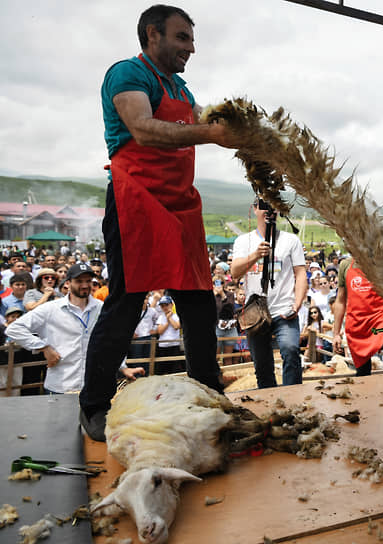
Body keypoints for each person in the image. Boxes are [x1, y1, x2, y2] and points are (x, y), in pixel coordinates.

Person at [79, 5, 245, 441]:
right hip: (136, 198)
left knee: (197, 301)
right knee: (126, 303)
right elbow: (144, 130)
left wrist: (241, 127)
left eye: (191, 39)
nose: (191, 47)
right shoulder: (127, 75)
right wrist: (210, 133)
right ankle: (93, 405)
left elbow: (206, 117)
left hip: (180, 204)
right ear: (152, 35)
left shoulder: (179, 87)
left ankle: (207, 389)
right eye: (182, 38)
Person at [6, 263, 143, 394]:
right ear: (68, 283)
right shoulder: (51, 309)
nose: (84, 285)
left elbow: (112, 342)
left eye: (88, 281)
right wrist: (43, 347)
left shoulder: (102, 309)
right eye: (79, 281)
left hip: (94, 386)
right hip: (61, 385)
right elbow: (14, 329)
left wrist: (123, 367)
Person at [231, 198, 307, 388]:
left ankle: (292, 397)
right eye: (264, 206)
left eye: (273, 207)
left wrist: (297, 304)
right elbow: (234, 272)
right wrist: (255, 255)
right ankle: (270, 403)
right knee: (262, 365)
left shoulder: (291, 240)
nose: (268, 211)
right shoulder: (244, 241)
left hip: (284, 309)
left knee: (290, 350)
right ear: (255, 209)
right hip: (255, 313)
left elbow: (300, 273)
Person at [332, 258, 383, 376]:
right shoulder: (345, 265)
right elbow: (340, 300)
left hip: (380, 319)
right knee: (362, 372)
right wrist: (336, 334)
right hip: (357, 325)